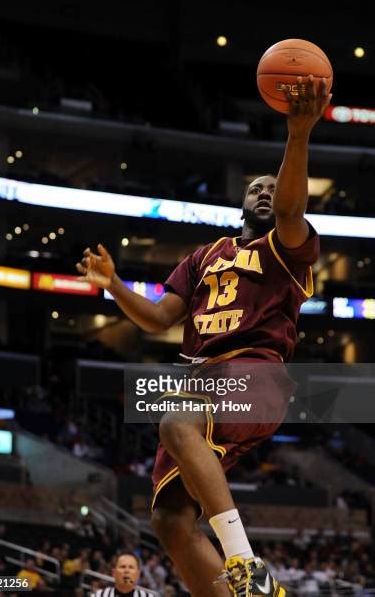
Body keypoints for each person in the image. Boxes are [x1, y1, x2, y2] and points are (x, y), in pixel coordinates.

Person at [77, 75, 331, 596]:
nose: (265, 192)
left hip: (257, 370)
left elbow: (288, 208)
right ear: (240, 202)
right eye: (254, 187)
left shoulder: (287, 248)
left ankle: (247, 568)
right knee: (169, 521)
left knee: (174, 422)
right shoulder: (203, 257)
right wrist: (114, 286)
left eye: (271, 186)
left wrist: (298, 135)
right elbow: (157, 318)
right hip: (202, 377)